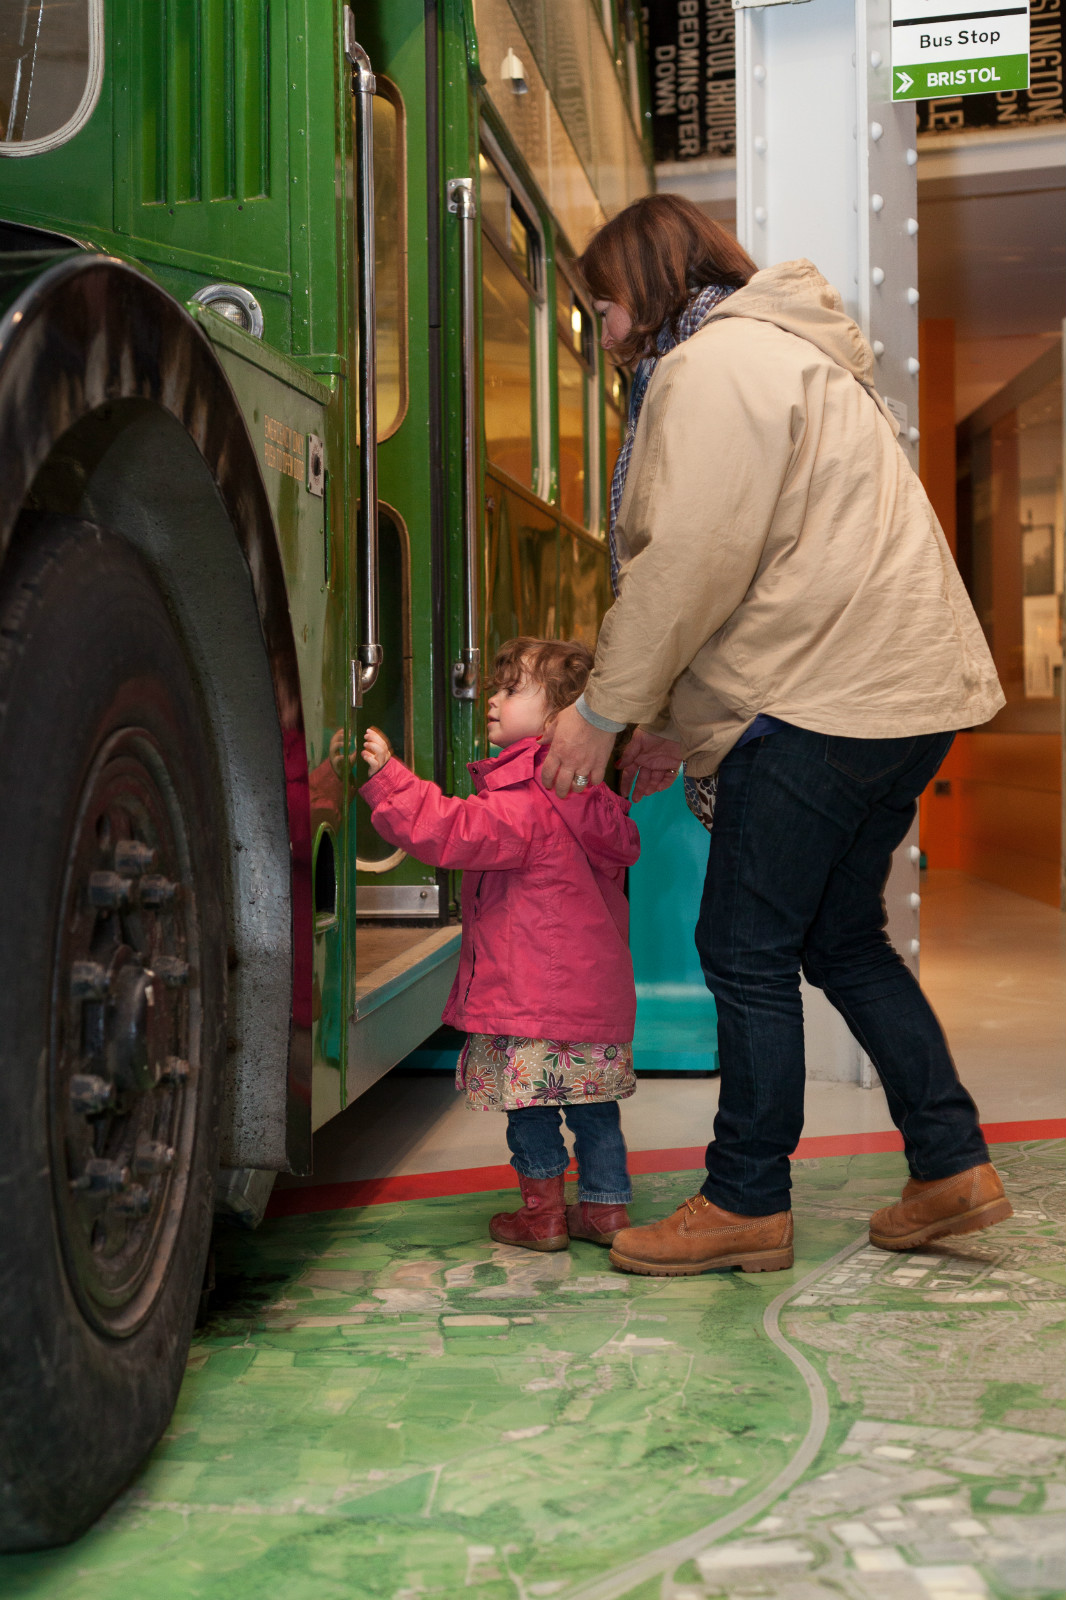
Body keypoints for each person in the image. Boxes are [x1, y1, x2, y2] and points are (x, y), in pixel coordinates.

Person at [541, 193, 1012, 1277]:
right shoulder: (788, 354)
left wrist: (603, 711)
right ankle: (950, 1164)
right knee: (839, 936)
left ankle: (746, 1197)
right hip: (900, 690)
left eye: (603, 307)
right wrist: (671, 725)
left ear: (648, 284)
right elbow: (772, 562)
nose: (601, 333)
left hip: (824, 695)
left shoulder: (711, 367)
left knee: (742, 947)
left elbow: (691, 559)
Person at [360, 637, 641, 1252]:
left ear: (560, 718)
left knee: (534, 1109)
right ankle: (605, 1210)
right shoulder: (596, 799)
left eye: (512, 689)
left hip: (530, 998)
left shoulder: (527, 799)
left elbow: (453, 831)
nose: (491, 698)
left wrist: (391, 781)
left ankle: (542, 1218)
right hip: (594, 999)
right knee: (596, 1108)